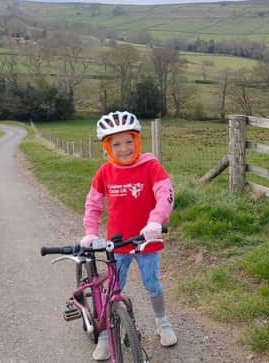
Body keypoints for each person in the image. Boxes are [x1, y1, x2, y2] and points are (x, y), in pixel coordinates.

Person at [80, 110, 177, 361]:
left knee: (152, 282)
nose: (124, 148)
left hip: (146, 239)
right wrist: (91, 232)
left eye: (129, 141)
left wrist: (156, 220)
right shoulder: (105, 172)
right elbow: (93, 204)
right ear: (107, 147)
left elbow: (165, 193)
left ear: (137, 141)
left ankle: (162, 321)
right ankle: (105, 334)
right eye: (116, 144)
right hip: (116, 243)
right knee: (113, 288)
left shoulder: (150, 166)